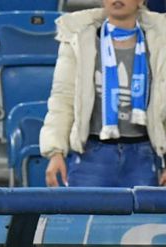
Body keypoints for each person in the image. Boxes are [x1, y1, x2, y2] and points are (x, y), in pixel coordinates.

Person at [43, 0, 166, 188]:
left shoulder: (160, 42)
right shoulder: (79, 38)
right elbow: (63, 98)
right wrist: (55, 152)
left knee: (143, 219)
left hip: (145, 157)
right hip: (90, 157)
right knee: (85, 217)